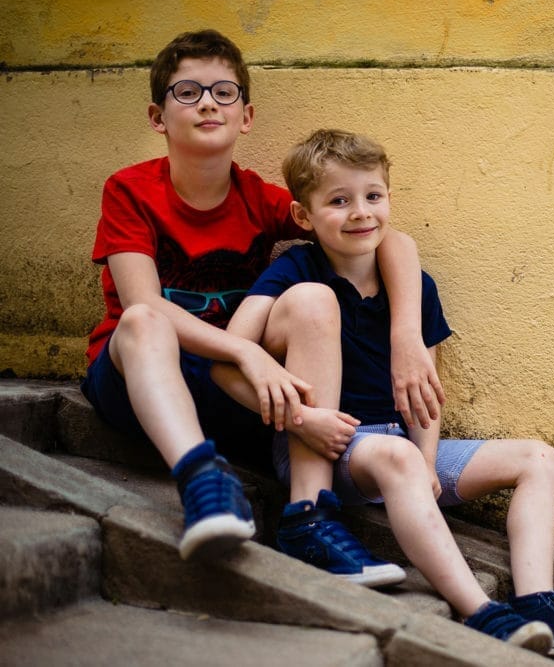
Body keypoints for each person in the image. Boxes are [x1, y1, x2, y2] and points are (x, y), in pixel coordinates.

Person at [218, 128, 554, 658]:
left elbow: (423, 393)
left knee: (540, 458)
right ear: (303, 216)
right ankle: (481, 613)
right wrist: (302, 420)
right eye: (339, 201)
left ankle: (539, 603)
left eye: (373, 196)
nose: (360, 212)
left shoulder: (414, 286)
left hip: (398, 445)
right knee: (395, 452)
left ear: (389, 199)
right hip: (327, 446)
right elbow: (229, 357)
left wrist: (425, 459)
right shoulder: (297, 271)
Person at [80, 30, 443, 564]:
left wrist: (407, 334)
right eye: (188, 92)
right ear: (158, 117)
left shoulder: (257, 198)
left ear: (245, 115)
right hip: (139, 378)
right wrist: (245, 352)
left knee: (313, 299)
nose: (208, 103)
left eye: (223, 92)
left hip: (232, 393)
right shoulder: (130, 190)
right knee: (142, 321)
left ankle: (310, 514)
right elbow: (145, 303)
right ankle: (201, 478)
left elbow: (387, 239)